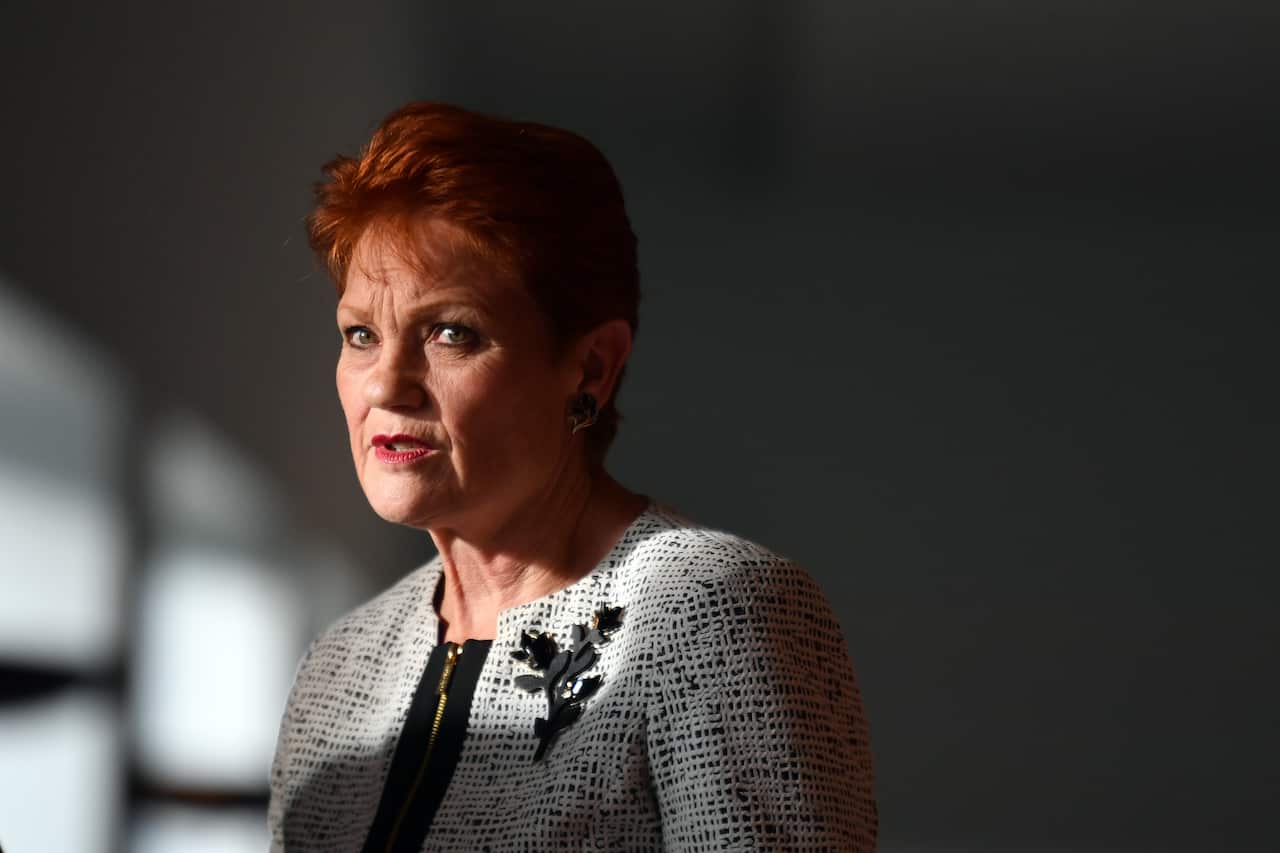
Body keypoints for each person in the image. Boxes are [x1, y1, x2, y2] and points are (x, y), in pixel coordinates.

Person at [267, 101, 877, 851]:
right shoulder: (337, 668)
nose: (385, 384)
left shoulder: (711, 611)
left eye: (451, 332)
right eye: (361, 334)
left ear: (590, 367)